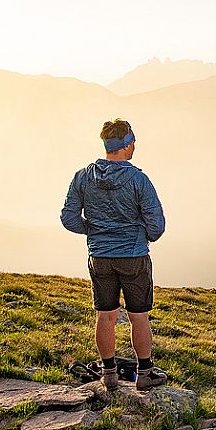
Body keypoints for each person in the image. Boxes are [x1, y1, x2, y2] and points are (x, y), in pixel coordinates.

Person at [61, 119, 168, 391]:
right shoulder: (138, 180)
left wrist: (93, 231)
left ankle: (108, 374)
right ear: (128, 144)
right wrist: (140, 234)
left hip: (100, 257)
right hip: (133, 256)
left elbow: (68, 218)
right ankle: (144, 374)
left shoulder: (83, 176)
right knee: (139, 317)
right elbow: (156, 226)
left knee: (105, 315)